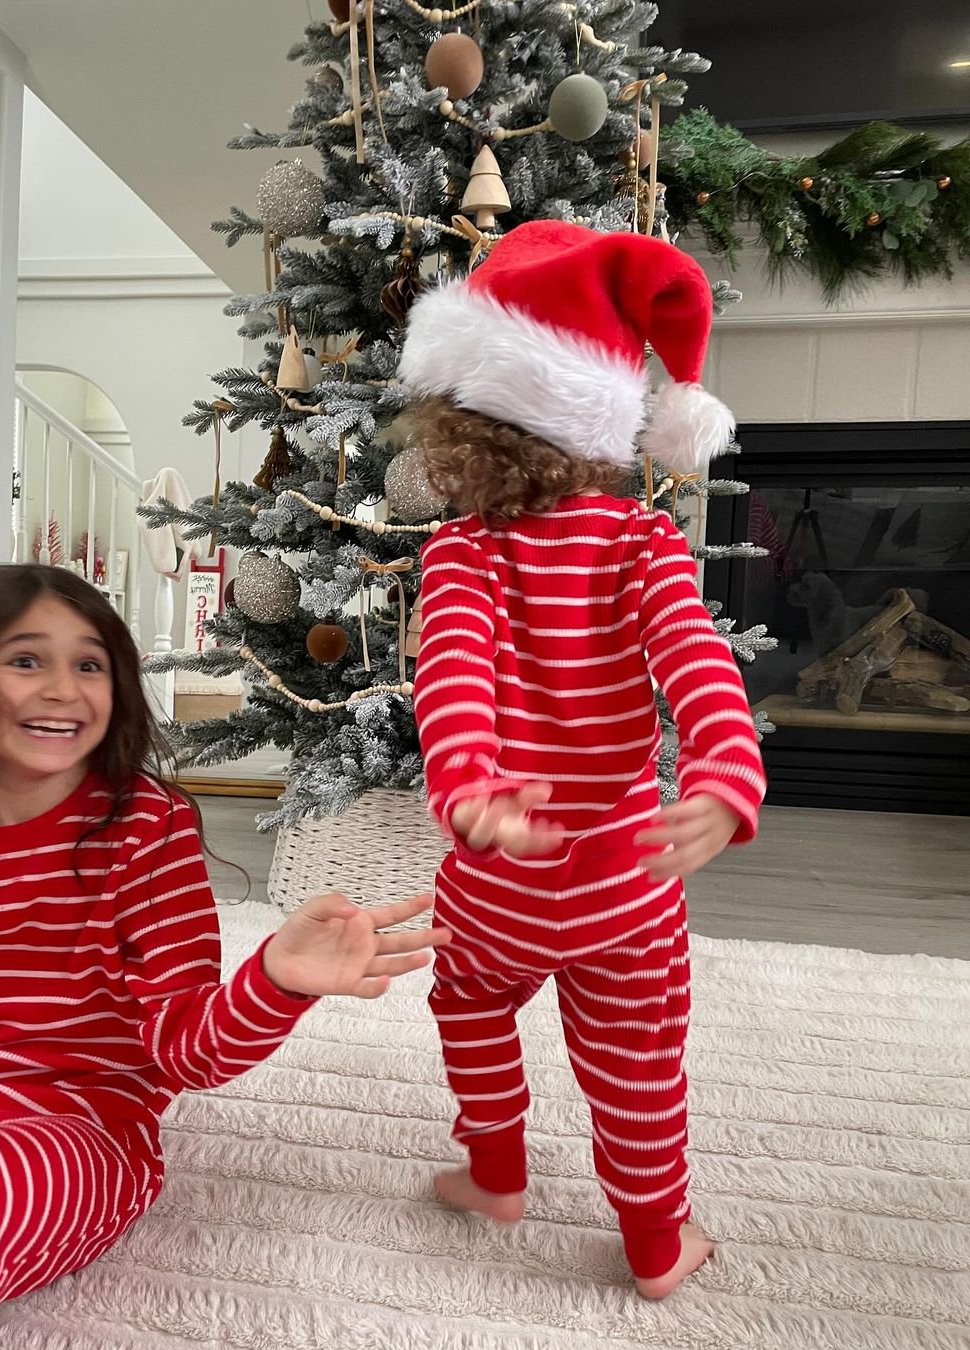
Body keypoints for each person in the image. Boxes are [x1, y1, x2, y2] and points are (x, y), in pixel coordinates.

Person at [0, 564, 448, 1321]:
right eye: (26, 660)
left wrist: (276, 981)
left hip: (83, 1132)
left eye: (89, 664)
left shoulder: (147, 828)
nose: (63, 687)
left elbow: (187, 1048)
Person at [400, 222, 767, 1300]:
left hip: (498, 876)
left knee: (467, 1002)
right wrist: (722, 776)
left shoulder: (460, 550)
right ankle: (656, 1242)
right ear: (603, 417)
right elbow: (697, 663)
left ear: (461, 424)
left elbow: (452, 677)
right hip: (624, 875)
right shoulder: (646, 543)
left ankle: (497, 1175)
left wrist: (471, 785)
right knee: (639, 1062)